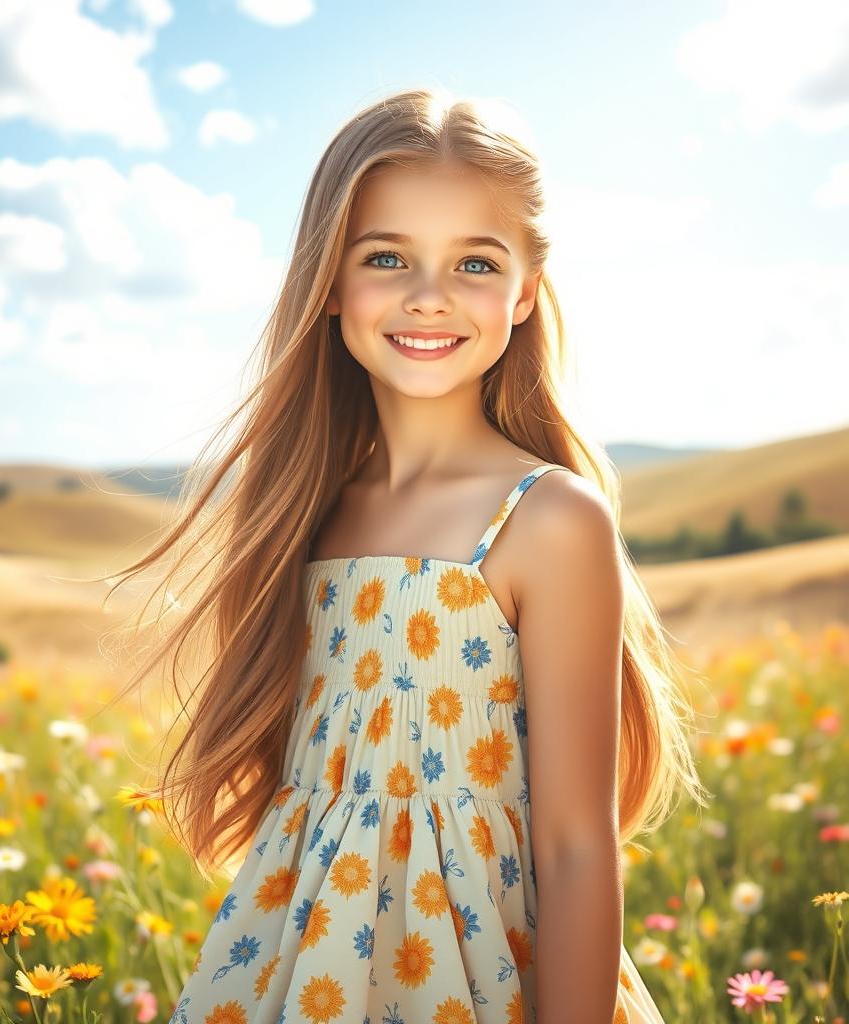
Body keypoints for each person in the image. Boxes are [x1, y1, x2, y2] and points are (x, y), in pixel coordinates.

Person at [103, 87, 709, 1024]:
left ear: (524, 292)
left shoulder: (546, 520)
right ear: (330, 283)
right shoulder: (305, 516)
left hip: (485, 977)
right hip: (304, 975)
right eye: (387, 256)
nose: (429, 294)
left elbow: (578, 845)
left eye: (475, 261)